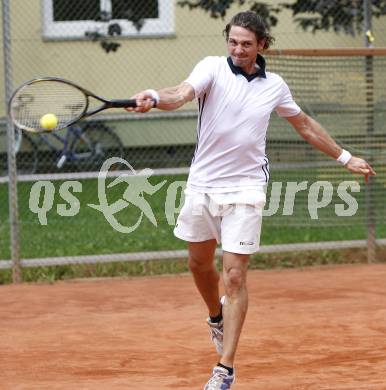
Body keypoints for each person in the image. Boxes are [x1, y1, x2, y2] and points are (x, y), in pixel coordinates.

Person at [125, 11, 376, 389]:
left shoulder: (274, 85)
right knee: (198, 263)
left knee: (236, 274)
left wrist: (345, 157)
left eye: (246, 44)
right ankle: (216, 317)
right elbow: (181, 94)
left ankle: (224, 370)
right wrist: (155, 97)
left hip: (245, 188)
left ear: (262, 45)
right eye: (233, 42)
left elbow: (304, 124)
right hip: (203, 185)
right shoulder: (212, 68)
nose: (238, 50)